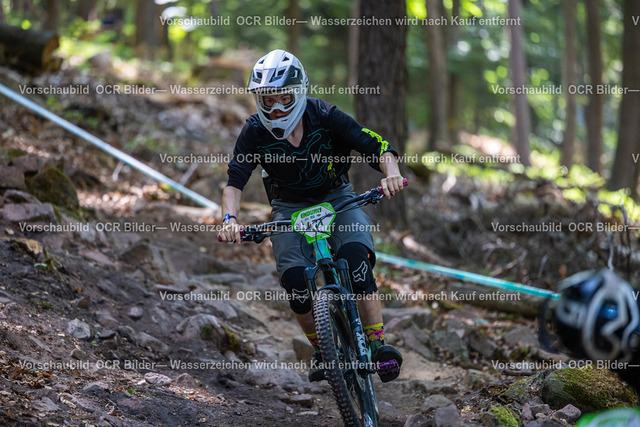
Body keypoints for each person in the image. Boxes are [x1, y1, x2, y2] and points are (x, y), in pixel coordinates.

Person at [219, 49, 404, 383]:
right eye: (267, 99)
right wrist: (230, 220)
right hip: (288, 208)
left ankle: (378, 344)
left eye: (284, 98)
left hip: (338, 197)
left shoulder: (324, 114)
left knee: (356, 259)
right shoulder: (254, 131)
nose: (276, 108)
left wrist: (391, 173)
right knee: (295, 282)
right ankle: (322, 350)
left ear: (299, 91)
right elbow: (234, 183)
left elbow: (376, 146)